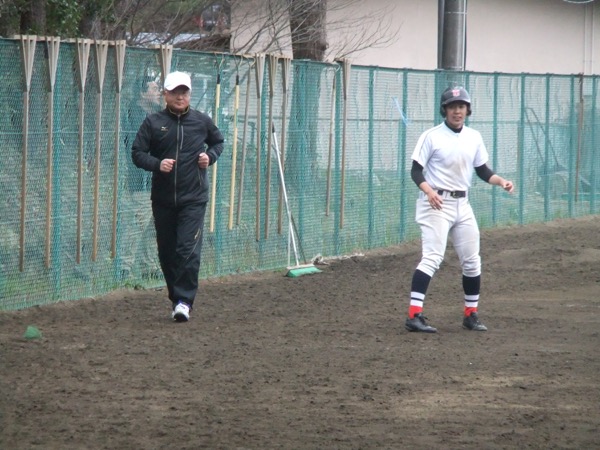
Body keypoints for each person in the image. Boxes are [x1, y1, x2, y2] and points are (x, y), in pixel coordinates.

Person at [405, 86, 514, 333]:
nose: (457, 111)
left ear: (467, 110)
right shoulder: (431, 136)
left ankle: (470, 315)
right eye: (452, 106)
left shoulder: (473, 137)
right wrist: (429, 191)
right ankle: (414, 316)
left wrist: (501, 181)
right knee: (433, 257)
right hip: (436, 203)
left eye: (461, 106)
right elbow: (415, 170)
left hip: (462, 204)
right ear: (445, 110)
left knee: (473, 262)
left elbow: (483, 170)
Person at [132, 71, 224, 322]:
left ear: (189, 94)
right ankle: (176, 298)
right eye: (174, 92)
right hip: (163, 200)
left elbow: (218, 142)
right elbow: (137, 153)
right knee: (168, 252)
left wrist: (210, 157)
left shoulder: (202, 121)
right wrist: (157, 164)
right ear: (165, 94)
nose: (180, 96)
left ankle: (184, 301)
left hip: (194, 198)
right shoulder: (152, 123)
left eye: (184, 92)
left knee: (187, 249)